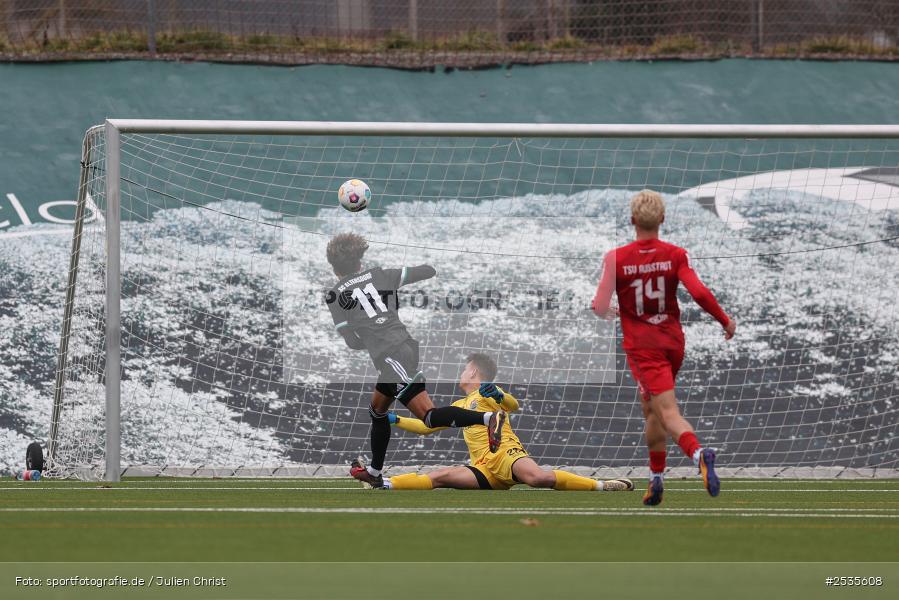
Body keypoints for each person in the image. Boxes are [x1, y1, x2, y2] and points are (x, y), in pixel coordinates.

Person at [324, 233, 505, 489]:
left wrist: (371, 335)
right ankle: (374, 472)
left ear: (333, 267)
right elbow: (427, 271)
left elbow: (352, 342)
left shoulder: (333, 296)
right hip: (402, 347)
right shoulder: (381, 275)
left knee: (428, 417)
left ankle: (488, 419)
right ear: (359, 261)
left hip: (391, 355)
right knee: (377, 411)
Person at [591, 190, 736, 506]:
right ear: (662, 220)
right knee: (652, 409)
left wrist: (604, 308)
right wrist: (724, 320)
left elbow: (600, 305)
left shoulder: (616, 258)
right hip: (672, 343)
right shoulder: (676, 254)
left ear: (632, 221)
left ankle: (699, 453)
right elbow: (698, 292)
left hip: (645, 349)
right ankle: (656, 481)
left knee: (667, 411)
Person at [366, 352, 633, 493]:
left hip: (506, 454)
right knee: (441, 476)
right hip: (484, 468)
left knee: (538, 478)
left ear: (472, 371)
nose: (461, 373)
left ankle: (602, 485)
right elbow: (427, 427)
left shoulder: (487, 393)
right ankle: (386, 483)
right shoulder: (460, 406)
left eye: (463, 368)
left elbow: (511, 406)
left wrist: (500, 394)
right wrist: (393, 418)